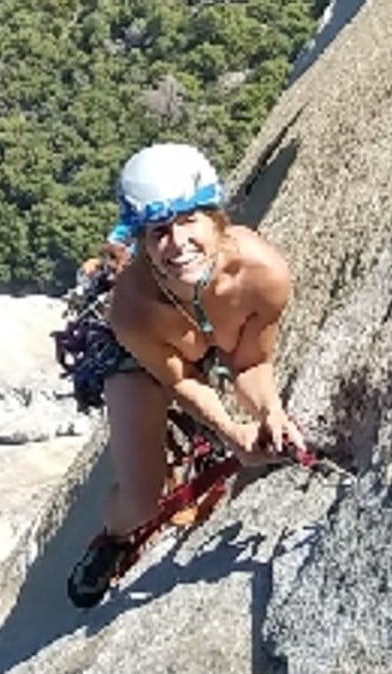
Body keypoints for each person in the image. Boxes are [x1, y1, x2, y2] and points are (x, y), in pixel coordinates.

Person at [67, 142, 305, 608]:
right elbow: (175, 378)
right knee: (142, 501)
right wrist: (231, 430)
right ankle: (112, 539)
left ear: (216, 218)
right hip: (144, 361)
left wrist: (271, 412)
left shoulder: (263, 275)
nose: (176, 244)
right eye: (158, 232)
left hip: (204, 344)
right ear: (141, 239)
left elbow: (251, 363)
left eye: (188, 221)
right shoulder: (133, 307)